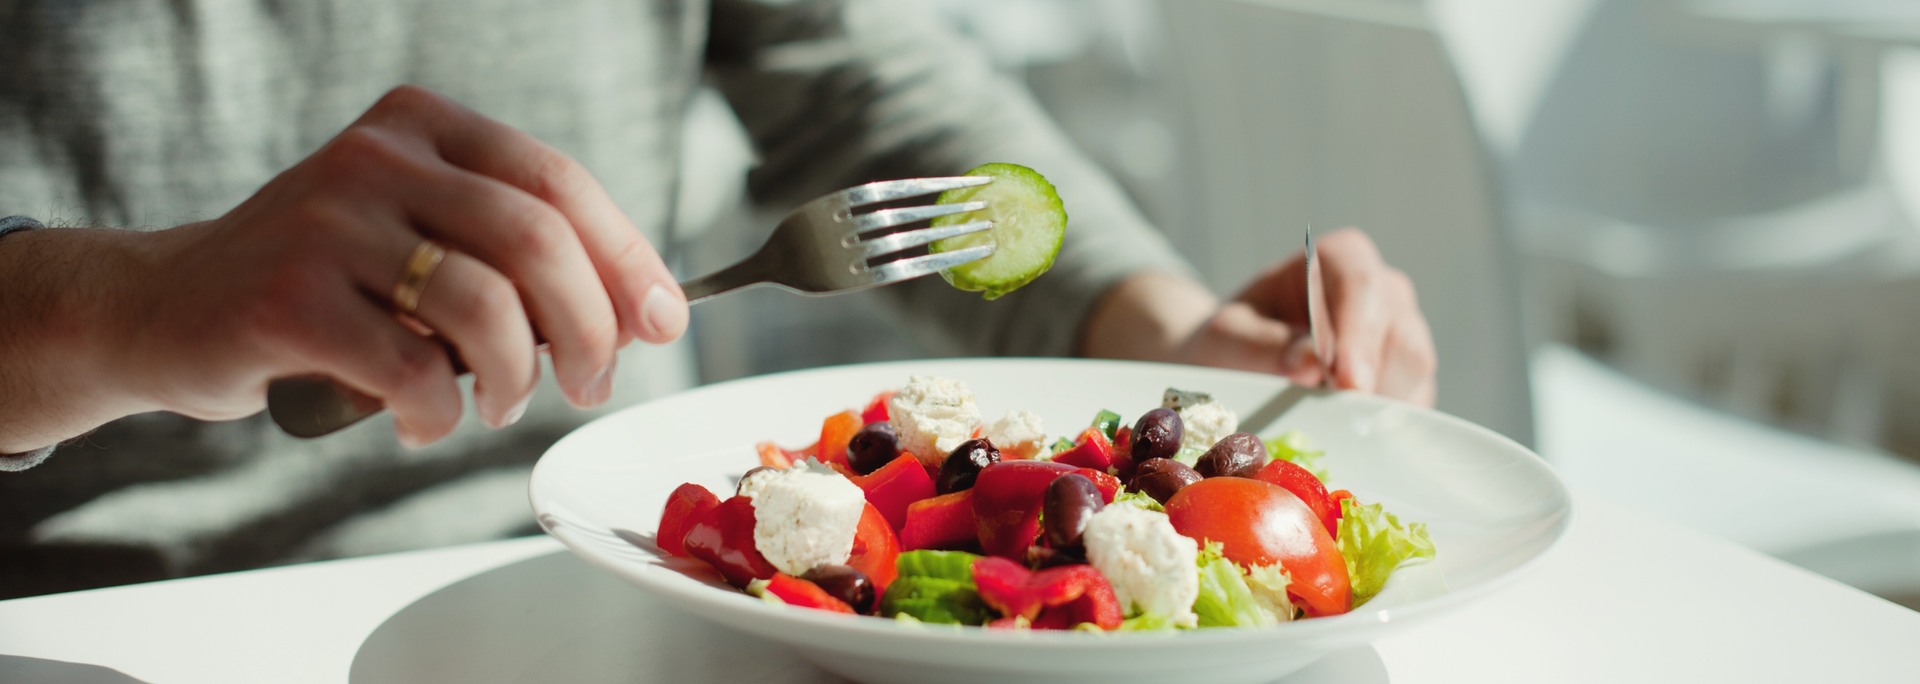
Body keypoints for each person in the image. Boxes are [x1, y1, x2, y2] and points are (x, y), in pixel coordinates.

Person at [0, 0, 1434, 598]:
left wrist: (1159, 325)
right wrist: (98, 306)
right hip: (93, 607)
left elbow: (866, 79)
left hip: (634, 575)